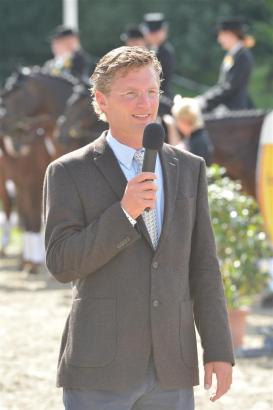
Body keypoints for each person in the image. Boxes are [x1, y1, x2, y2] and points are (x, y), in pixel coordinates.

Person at [43, 46, 234, 410]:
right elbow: (61, 263)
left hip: (171, 368)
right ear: (102, 100)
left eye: (151, 92)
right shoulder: (68, 172)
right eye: (130, 93)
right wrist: (124, 213)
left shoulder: (190, 168)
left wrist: (219, 349)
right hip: (98, 367)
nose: (145, 103)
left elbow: (204, 266)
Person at [196, 17, 254, 112]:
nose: (219, 39)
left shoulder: (243, 56)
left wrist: (205, 100)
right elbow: (222, 84)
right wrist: (204, 98)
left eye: (221, 35)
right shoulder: (231, 54)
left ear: (230, 34)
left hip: (233, 109)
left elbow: (231, 87)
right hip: (224, 105)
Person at [165, 96, 214, 166]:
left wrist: (171, 127)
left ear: (183, 121)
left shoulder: (196, 142)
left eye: (176, 119)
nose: (176, 124)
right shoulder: (199, 136)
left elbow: (173, 158)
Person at [141, 13, 175, 99]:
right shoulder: (141, 49)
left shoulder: (166, 53)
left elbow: (162, 81)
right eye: (151, 33)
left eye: (156, 33)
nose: (153, 36)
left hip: (161, 96)